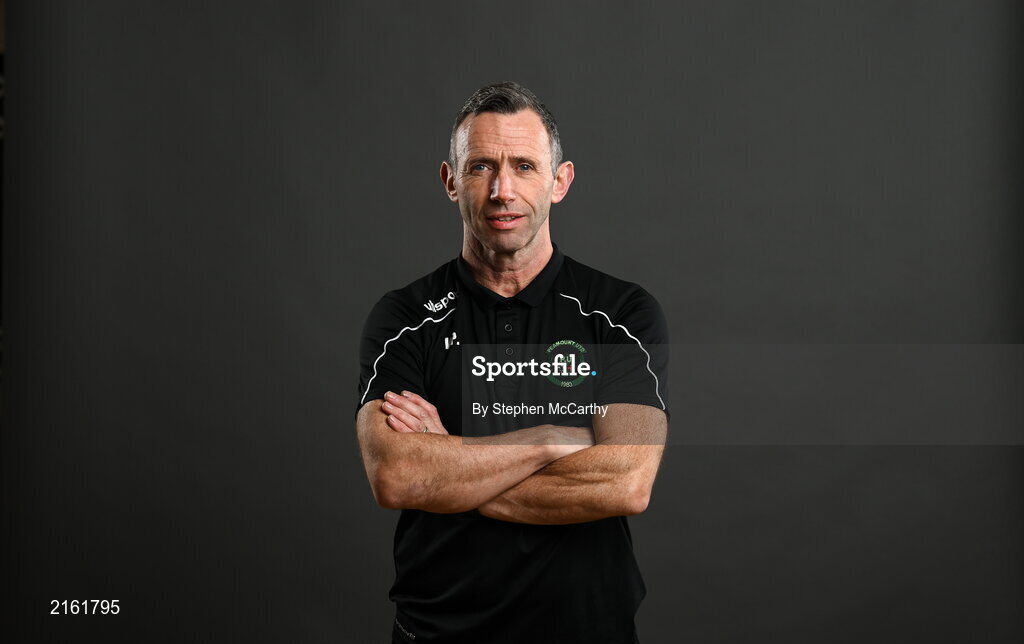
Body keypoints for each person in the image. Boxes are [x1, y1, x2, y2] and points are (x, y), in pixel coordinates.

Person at [356, 81, 669, 644]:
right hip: (437, 634)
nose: (503, 190)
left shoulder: (619, 313)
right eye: (480, 167)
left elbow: (627, 481)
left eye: (524, 166)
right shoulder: (404, 317)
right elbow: (397, 475)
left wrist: (448, 464)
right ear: (451, 182)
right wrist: (550, 439)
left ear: (560, 180)